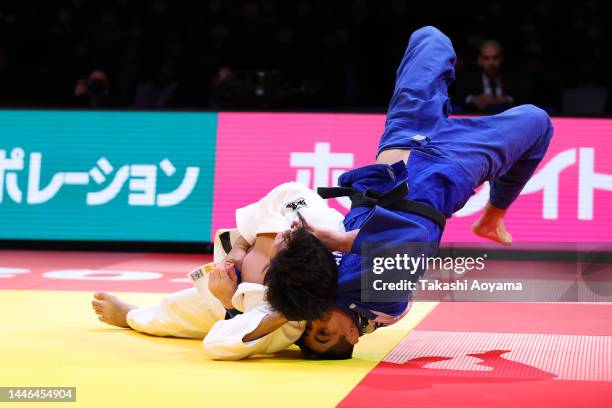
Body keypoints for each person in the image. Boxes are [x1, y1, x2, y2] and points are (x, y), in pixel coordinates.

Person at [265, 26, 553, 357]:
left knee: (429, 38)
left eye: (311, 328)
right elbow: (410, 242)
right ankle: (494, 213)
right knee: (537, 121)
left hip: (402, 143)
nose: (319, 323)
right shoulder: (382, 302)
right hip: (446, 169)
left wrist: (279, 257)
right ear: (353, 337)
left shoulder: (311, 295)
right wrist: (335, 240)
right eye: (325, 335)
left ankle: (492, 215)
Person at [91, 182, 345, 360]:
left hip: (229, 300)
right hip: (237, 267)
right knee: (173, 306)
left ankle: (131, 317)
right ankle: (135, 315)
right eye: (292, 237)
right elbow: (286, 192)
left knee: (174, 312)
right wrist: (241, 245)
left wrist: (228, 303)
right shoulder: (318, 223)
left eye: (281, 247)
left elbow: (217, 344)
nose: (284, 234)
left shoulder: (285, 322)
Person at [454, 39, 517, 113]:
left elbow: (523, 97)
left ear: (501, 59)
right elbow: (456, 97)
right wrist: (473, 99)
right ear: (479, 60)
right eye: (486, 58)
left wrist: (505, 99)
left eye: (495, 58)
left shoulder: (513, 78)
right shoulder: (468, 79)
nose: (491, 63)